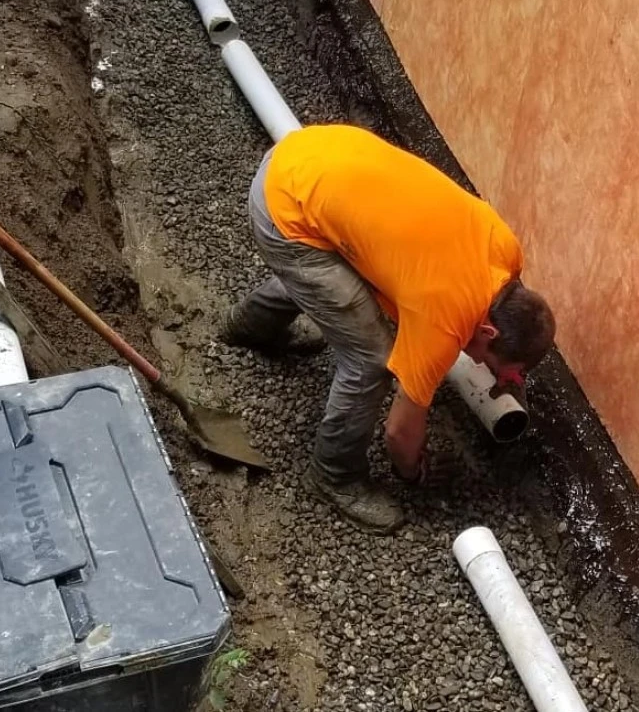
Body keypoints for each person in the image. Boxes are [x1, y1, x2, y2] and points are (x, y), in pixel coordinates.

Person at [220, 124, 556, 534]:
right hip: (283, 215)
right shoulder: (445, 318)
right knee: (370, 358)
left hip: (311, 152)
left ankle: (250, 326)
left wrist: (508, 372)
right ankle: (334, 476)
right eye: (486, 359)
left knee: (352, 282)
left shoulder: (506, 252)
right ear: (487, 331)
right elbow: (398, 432)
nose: (478, 363)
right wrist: (413, 472)